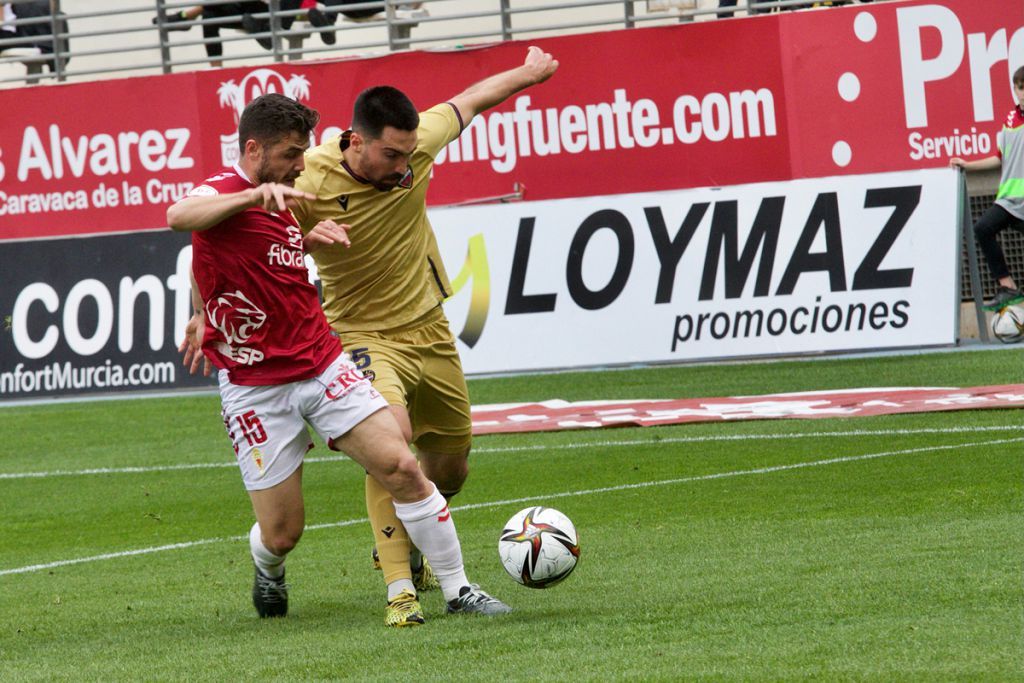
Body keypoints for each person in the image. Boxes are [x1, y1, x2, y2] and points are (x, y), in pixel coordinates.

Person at [169, 93, 511, 621]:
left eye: (304, 153)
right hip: (256, 386)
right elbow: (180, 218)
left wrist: (306, 239)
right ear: (254, 149)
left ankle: (458, 590)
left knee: (400, 463)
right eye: (289, 154)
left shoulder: (289, 194)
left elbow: (260, 258)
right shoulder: (228, 192)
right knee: (284, 533)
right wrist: (249, 206)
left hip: (320, 362)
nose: (301, 165)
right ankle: (268, 566)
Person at [290, 45, 558, 627]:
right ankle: (400, 590)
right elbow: (255, 245)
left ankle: (411, 538)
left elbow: (472, 100)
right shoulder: (307, 178)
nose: (403, 166)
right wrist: (304, 244)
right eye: (391, 154)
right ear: (356, 142)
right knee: (393, 444)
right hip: (360, 334)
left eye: (409, 153)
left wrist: (529, 73)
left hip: (430, 328)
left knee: (451, 468)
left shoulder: (416, 146)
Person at [951, 65, 1024, 311]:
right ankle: (1008, 286)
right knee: (982, 228)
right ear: (1014, 90)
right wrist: (967, 165)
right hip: (1008, 200)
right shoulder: (1010, 120)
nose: (1023, 93)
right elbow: (999, 158)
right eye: (1020, 88)